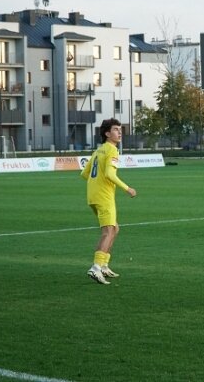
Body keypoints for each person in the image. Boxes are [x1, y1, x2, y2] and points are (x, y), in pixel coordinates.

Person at [81, 118, 137, 285]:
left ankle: (104, 265)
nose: (119, 132)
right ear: (107, 134)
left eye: (120, 129)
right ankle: (96, 267)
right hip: (104, 197)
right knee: (108, 231)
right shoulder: (112, 150)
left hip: (93, 196)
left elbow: (84, 174)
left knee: (114, 229)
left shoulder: (99, 151)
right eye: (115, 129)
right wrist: (128, 188)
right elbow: (110, 175)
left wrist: (96, 185)